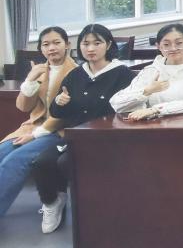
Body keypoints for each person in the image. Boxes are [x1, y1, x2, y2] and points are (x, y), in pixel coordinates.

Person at [33, 24, 133, 233]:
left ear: (108, 45)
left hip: (109, 139)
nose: (91, 48)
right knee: (42, 162)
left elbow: (129, 110)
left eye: (97, 43)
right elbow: (57, 113)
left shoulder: (122, 74)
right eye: (85, 44)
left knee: (66, 162)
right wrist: (60, 102)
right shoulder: (76, 74)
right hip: (75, 137)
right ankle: (53, 202)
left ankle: (93, 206)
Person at [0, 27, 76, 217]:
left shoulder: (77, 72)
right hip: (33, 127)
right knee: (2, 152)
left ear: (67, 44)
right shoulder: (40, 70)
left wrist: (34, 135)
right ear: (41, 48)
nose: (51, 48)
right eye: (46, 44)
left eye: (57, 43)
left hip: (59, 130)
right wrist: (30, 79)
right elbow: (23, 107)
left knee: (14, 161)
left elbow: (66, 116)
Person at [110, 24, 183, 119]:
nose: (173, 48)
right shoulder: (151, 70)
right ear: (159, 46)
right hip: (155, 126)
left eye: (179, 43)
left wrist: (156, 110)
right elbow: (116, 103)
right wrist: (146, 91)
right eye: (166, 44)